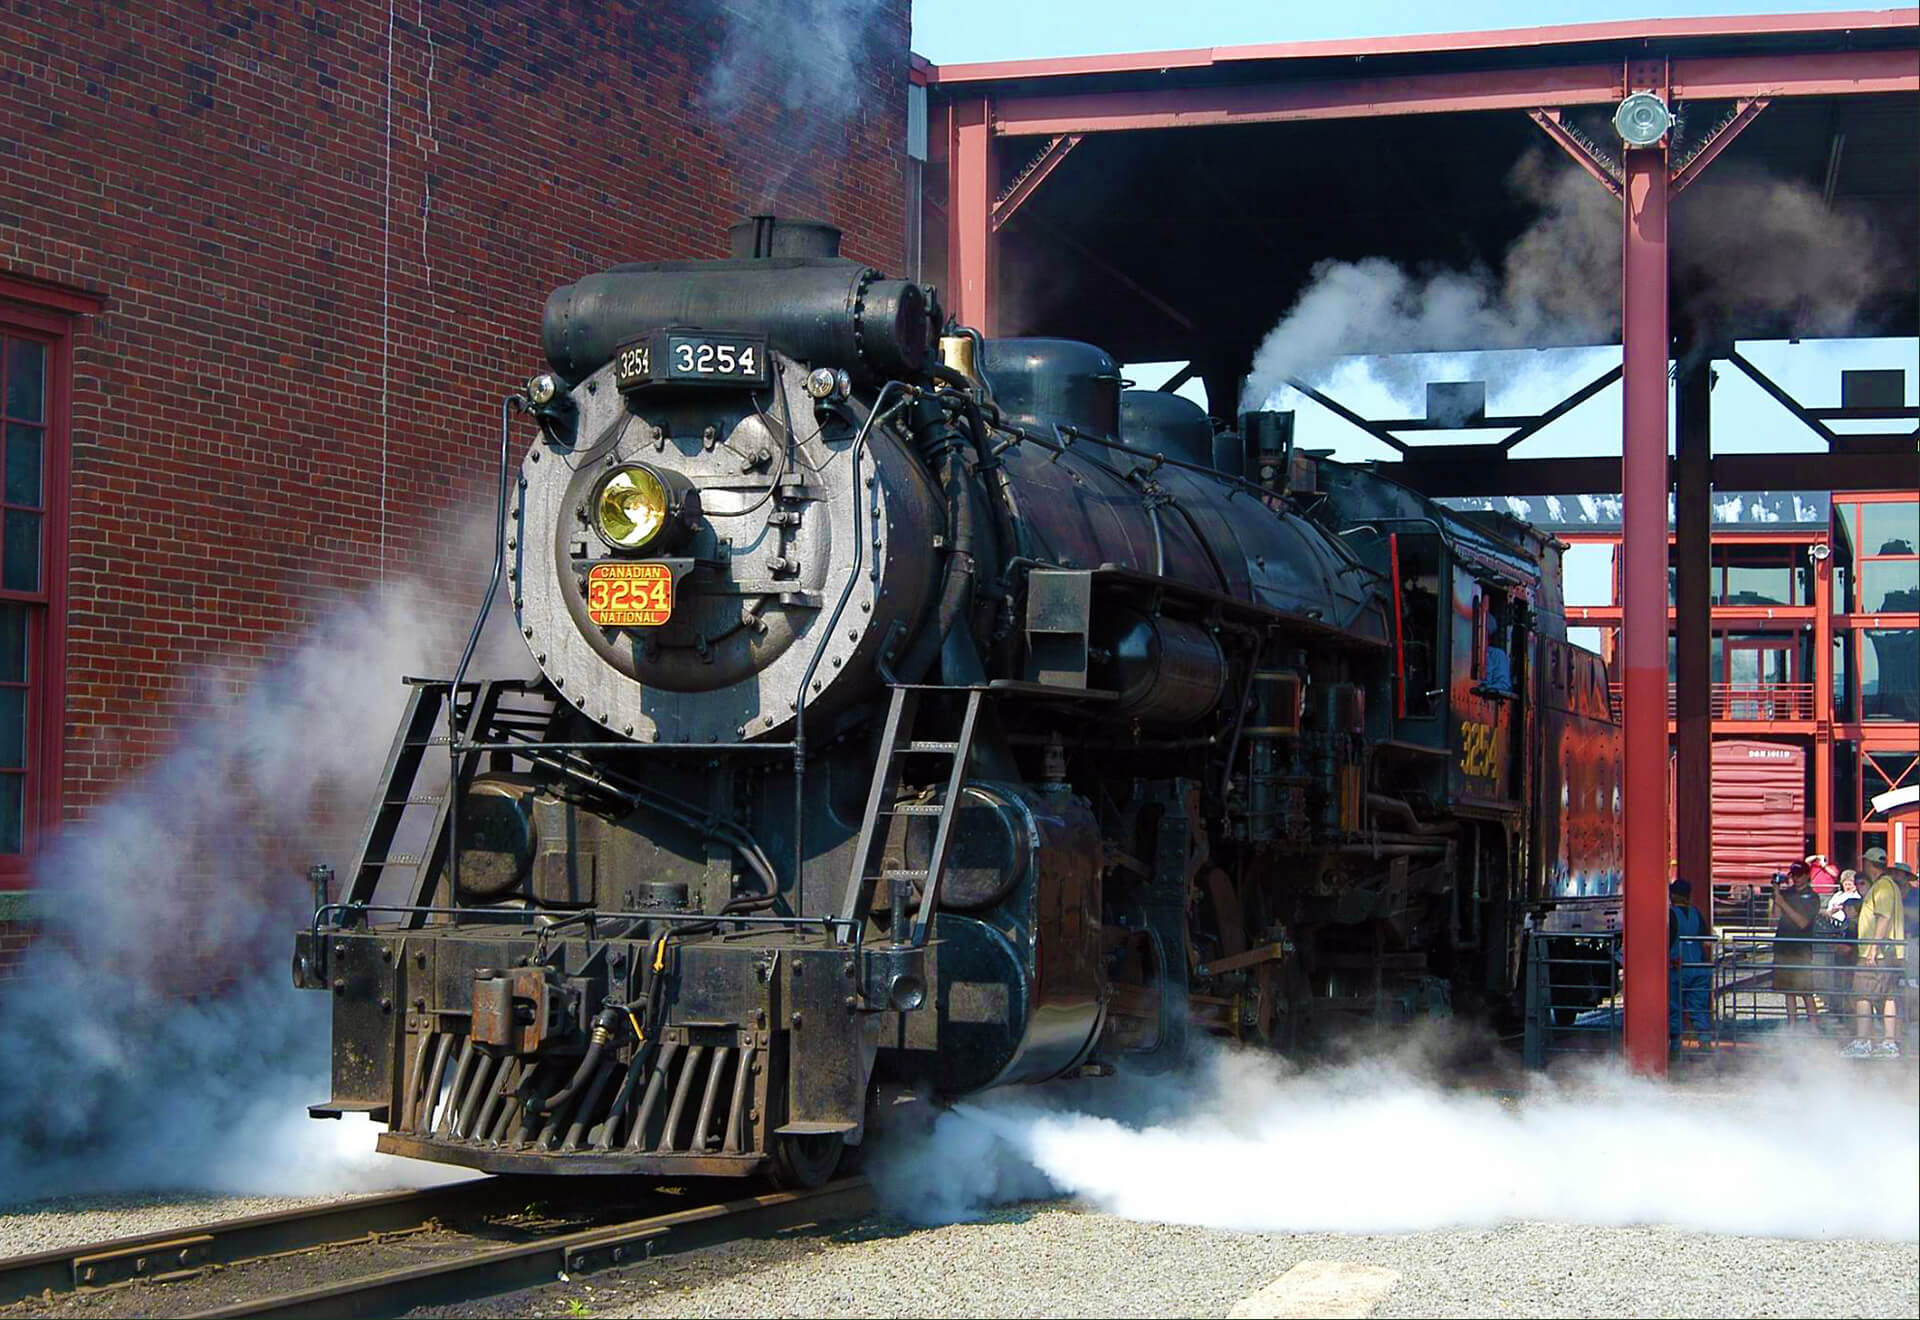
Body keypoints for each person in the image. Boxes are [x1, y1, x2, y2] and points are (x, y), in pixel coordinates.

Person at [1847, 851, 1906, 1058]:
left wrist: (1872, 948)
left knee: (1863, 994)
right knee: (1888, 995)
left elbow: (1883, 918)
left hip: (1877, 953)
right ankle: (1889, 1042)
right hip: (1890, 951)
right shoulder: (1891, 886)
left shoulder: (1882, 887)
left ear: (1869, 863)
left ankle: (1863, 1041)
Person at [1771, 862, 1821, 1028]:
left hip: (1801, 949)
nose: (1796, 878)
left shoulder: (1813, 897)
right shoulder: (1786, 894)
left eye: (1799, 874)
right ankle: (1791, 1026)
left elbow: (1802, 922)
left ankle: (1813, 1027)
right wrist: (1776, 894)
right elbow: (1774, 920)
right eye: (1794, 875)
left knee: (1806, 991)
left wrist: (1783, 903)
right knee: (1788, 991)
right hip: (1784, 946)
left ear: (1807, 875)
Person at [1669, 879, 1714, 1050]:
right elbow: (1706, 941)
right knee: (1698, 1007)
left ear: (1673, 895)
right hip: (1699, 967)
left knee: (1674, 1005)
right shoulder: (1696, 913)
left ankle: (1675, 1045)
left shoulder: (1670, 915)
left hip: (1677, 967)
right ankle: (1704, 1042)